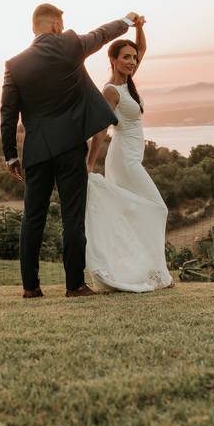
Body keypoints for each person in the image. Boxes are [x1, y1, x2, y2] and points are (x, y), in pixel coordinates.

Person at [0, 3, 141, 298]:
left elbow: (8, 114)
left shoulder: (14, 65)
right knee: (72, 216)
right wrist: (126, 21)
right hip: (70, 147)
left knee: (32, 217)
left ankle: (30, 287)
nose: (63, 29)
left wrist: (11, 155)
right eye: (61, 25)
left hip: (36, 150)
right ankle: (74, 284)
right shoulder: (68, 44)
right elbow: (101, 35)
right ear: (54, 25)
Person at [84, 17, 174, 292]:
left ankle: (148, 271)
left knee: (134, 215)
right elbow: (99, 131)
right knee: (158, 208)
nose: (133, 61)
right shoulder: (111, 90)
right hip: (124, 159)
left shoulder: (128, 82)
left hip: (134, 156)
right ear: (112, 60)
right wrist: (88, 165)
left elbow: (142, 49)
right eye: (126, 57)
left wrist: (140, 27)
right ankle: (156, 273)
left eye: (133, 58)